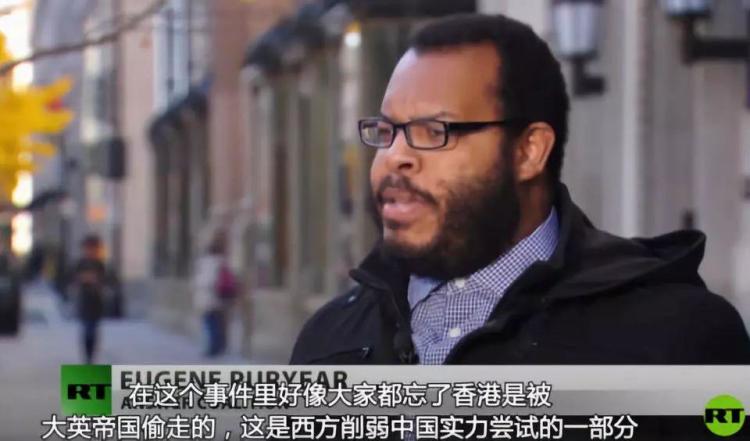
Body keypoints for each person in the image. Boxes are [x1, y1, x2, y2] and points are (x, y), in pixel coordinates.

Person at [290, 14, 750, 365]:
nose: (395, 157)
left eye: (434, 131)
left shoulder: (674, 339)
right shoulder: (331, 339)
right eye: (386, 131)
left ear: (529, 151)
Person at [194, 230, 238, 357]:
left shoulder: (207, 262)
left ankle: (214, 347)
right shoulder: (223, 261)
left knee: (211, 322)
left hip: (210, 297)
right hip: (220, 297)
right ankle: (219, 346)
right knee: (217, 322)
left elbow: (205, 281)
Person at [71, 235, 107, 364]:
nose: (90, 251)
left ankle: (91, 357)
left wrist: (94, 280)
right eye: (88, 248)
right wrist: (85, 279)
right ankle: (88, 358)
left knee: (94, 330)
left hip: (96, 302)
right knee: (87, 329)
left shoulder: (100, 264)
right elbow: (76, 279)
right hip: (85, 301)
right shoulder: (81, 264)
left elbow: (104, 280)